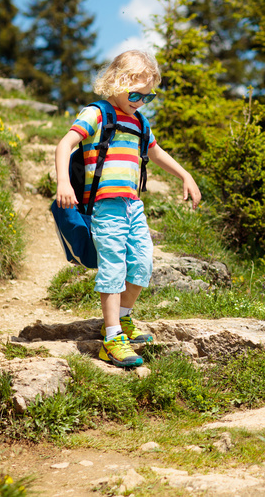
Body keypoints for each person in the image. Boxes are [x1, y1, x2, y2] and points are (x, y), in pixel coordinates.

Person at [54, 50, 201, 368]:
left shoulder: (140, 122)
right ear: (115, 82)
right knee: (114, 270)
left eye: (147, 96)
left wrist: (185, 176)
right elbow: (65, 144)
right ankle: (111, 339)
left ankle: (123, 319)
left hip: (134, 207)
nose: (140, 101)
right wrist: (63, 183)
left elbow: (157, 152)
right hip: (105, 208)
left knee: (142, 265)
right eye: (135, 93)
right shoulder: (97, 113)